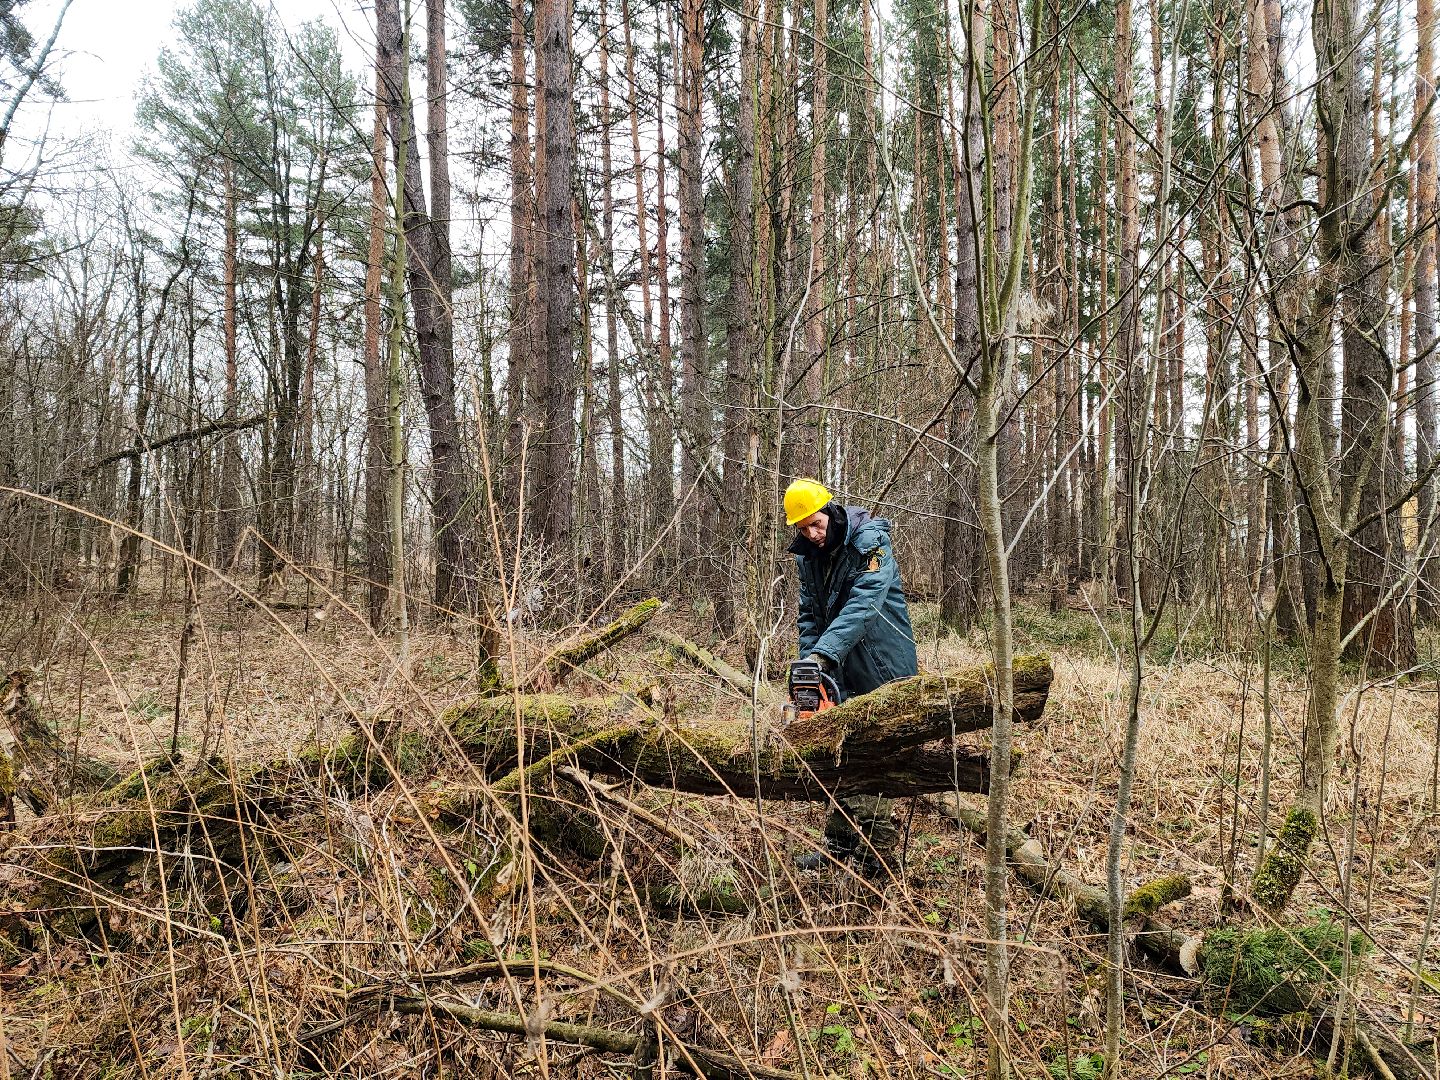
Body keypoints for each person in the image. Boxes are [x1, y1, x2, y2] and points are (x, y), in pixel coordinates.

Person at [783, 477, 918, 876]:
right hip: (838, 665)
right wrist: (811, 666)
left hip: (881, 663)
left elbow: (864, 604)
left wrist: (824, 655)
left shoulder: (870, 541)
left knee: (872, 755)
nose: (812, 533)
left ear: (831, 509)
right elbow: (810, 614)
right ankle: (839, 846)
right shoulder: (807, 556)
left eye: (816, 524)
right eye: (803, 527)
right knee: (837, 752)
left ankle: (879, 858)